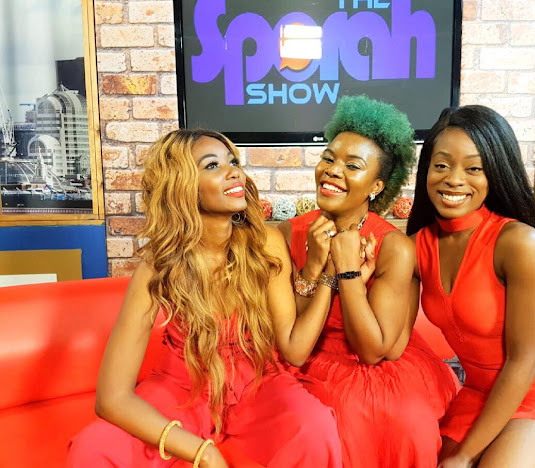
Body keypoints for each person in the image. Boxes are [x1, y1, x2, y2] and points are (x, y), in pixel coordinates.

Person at [67, 129, 341, 468]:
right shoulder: (158, 265)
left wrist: (327, 272)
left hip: (257, 382)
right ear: (182, 185)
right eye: (213, 165)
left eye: (233, 162)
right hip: (181, 386)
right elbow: (111, 397)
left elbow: (294, 349)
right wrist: (202, 452)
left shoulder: (265, 244)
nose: (234, 172)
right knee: (93, 448)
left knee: (314, 428)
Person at [278, 95, 459, 468]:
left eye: (352, 165)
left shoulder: (394, 247)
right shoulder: (285, 233)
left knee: (394, 420)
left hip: (374, 360)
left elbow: (374, 351)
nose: (333, 170)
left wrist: (348, 273)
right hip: (303, 354)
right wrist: (316, 267)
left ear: (376, 186)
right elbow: (288, 329)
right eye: (329, 158)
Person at [407, 106, 535, 468]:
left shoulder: (518, 242)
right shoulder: (416, 246)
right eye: (441, 165)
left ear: (496, 171)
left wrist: (465, 456)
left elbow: (524, 361)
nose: (454, 179)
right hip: (478, 392)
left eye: (473, 168)